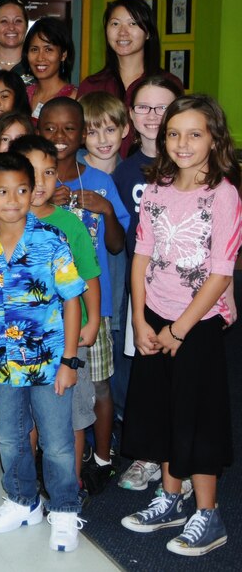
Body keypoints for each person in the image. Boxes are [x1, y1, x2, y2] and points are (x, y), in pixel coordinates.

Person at [120, 95, 241, 557]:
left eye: (195, 134)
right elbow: (141, 255)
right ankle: (170, 498)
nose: (182, 143)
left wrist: (180, 330)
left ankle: (207, 514)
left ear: (214, 139)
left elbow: (220, 272)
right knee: (163, 412)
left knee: (198, 419)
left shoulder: (223, 194)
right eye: (174, 134)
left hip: (198, 325)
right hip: (154, 318)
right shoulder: (157, 188)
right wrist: (139, 316)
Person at [0, 152, 87, 552]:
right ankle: (22, 500)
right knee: (10, 438)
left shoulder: (51, 240)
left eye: (22, 190)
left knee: (57, 440)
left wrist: (68, 362)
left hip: (49, 364)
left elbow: (72, 300)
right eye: (2, 191)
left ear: (33, 193)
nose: (13, 199)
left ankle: (63, 510)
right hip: (2, 365)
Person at [38, 97, 130, 490]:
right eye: (50, 129)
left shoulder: (99, 180)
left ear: (83, 134)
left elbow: (115, 245)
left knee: (98, 387)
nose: (60, 137)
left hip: (95, 307)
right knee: (50, 387)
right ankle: (52, 454)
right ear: (38, 131)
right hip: (43, 308)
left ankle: (103, 457)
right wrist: (43, 203)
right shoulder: (35, 183)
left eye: (70, 129)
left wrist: (106, 210)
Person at [11, 134, 104, 495]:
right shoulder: (5, 223)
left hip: (67, 338)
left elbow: (89, 275)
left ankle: (70, 483)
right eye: (31, 172)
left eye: (49, 173)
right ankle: (31, 482)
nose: (40, 182)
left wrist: (92, 320)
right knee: (28, 417)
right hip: (24, 338)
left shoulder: (71, 223)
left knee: (72, 417)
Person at [110, 77, 183, 492]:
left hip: (186, 289)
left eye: (162, 107)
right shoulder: (125, 171)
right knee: (140, 371)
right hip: (142, 287)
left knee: (181, 375)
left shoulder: (192, 167)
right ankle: (147, 453)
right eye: (143, 108)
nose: (152, 117)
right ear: (131, 116)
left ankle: (179, 457)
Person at [78, 0, 165, 106]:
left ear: (148, 33)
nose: (122, 32)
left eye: (132, 23)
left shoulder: (168, 83)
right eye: (115, 24)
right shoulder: (91, 86)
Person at [25, 18, 78, 119]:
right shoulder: (23, 96)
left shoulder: (75, 99)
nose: (40, 57)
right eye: (34, 49)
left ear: (63, 55)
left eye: (48, 50)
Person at [0, 0, 32, 86]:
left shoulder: (37, 68)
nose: (11, 27)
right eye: (4, 21)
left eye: (18, 21)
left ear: (26, 26)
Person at [80, 91, 130, 176]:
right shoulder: (67, 170)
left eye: (110, 130)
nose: (102, 140)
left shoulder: (128, 174)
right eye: (92, 133)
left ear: (124, 130)